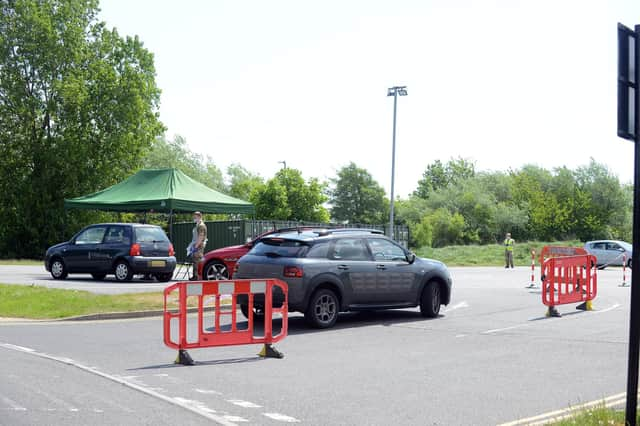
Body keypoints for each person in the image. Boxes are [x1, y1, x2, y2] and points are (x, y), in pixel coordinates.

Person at [187, 211, 207, 280]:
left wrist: (196, 247)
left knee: (197, 261)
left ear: (199, 217)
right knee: (195, 261)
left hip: (199, 246)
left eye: (195, 217)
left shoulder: (201, 225)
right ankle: (195, 276)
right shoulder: (198, 225)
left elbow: (200, 237)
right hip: (196, 245)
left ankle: (196, 276)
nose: (194, 218)